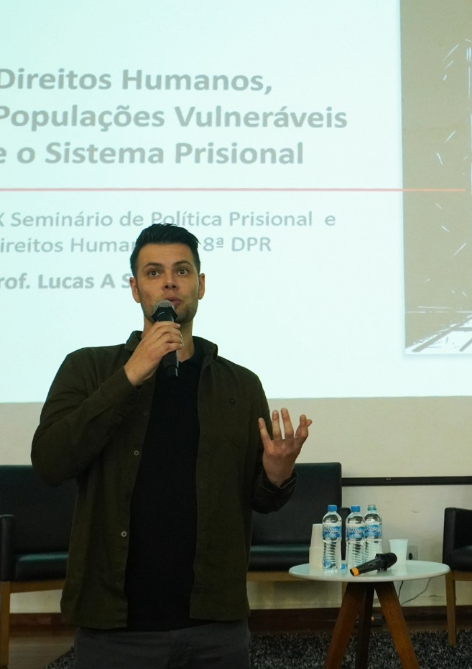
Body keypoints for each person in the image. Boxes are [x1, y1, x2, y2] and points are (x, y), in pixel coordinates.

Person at [31, 223, 311, 669]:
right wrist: (131, 373)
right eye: (153, 272)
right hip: (116, 628)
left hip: (214, 624)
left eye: (182, 270)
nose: (169, 282)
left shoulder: (239, 384)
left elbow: (260, 499)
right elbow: (50, 462)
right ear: (135, 289)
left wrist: (277, 474)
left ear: (201, 285)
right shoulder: (87, 368)